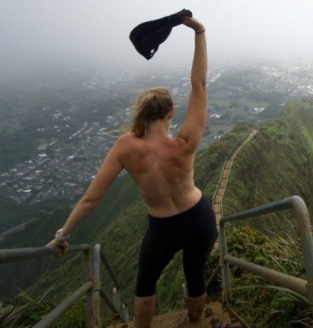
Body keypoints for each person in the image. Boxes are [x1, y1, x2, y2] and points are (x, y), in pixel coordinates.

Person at [46, 16, 217, 326]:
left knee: (145, 284)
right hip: (199, 217)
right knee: (195, 275)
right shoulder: (185, 142)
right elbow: (199, 84)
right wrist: (199, 31)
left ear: (141, 113)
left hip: (162, 228)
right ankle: (195, 321)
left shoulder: (125, 148)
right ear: (170, 113)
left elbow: (91, 199)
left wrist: (62, 234)